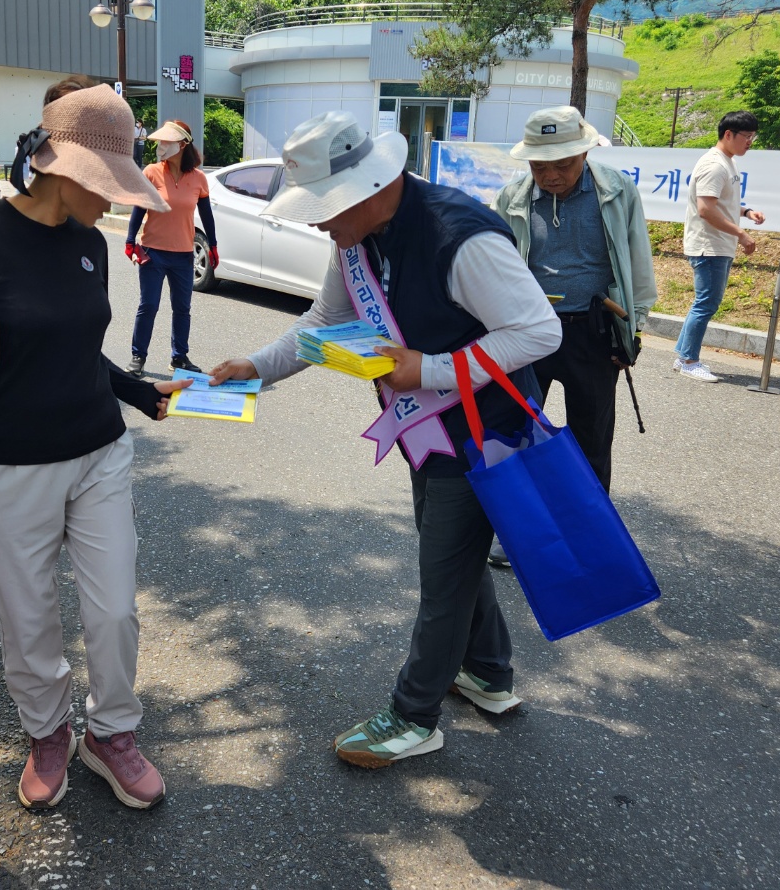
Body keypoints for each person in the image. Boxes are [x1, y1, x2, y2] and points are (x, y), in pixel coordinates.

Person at [210, 111, 562, 768]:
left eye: (323, 207)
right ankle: (486, 672)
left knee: (444, 574)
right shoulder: (357, 238)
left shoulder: (460, 237)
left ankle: (414, 716)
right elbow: (324, 322)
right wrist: (254, 367)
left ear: (369, 189)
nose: (317, 222)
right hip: (423, 426)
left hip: (481, 433)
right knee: (449, 557)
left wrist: (428, 370)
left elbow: (539, 332)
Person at [0, 83, 189, 810]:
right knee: (29, 623)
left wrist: (137, 392)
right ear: (61, 171)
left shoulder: (90, 244)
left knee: (114, 609)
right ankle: (48, 731)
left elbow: (79, 348)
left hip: (98, 453)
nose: (114, 203)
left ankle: (111, 733)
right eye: (106, 187)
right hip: (7, 466)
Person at [493, 106, 656, 493]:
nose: (550, 175)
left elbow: (636, 259)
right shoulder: (511, 199)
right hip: (528, 332)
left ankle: (591, 530)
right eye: (539, 165)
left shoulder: (615, 192)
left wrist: (633, 326)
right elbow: (492, 270)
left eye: (563, 164)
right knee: (515, 432)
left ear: (585, 153)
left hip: (594, 331)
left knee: (592, 440)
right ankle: (517, 524)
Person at [673, 111, 766, 382]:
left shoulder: (727, 161)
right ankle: (689, 360)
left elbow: (721, 203)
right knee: (706, 304)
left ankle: (684, 355)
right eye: (747, 136)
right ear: (728, 135)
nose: (750, 142)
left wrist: (746, 212)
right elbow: (706, 210)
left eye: (753, 136)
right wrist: (741, 234)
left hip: (717, 245)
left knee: (704, 303)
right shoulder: (715, 164)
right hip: (708, 246)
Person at [124, 120, 217, 375]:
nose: (161, 146)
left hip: (184, 255)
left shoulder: (198, 178)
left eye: (167, 141)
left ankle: (180, 357)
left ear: (183, 144)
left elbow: (207, 216)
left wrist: (213, 246)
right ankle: (137, 357)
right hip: (153, 252)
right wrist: (130, 240)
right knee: (149, 305)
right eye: (161, 141)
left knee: (182, 309)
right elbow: (139, 207)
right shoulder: (151, 172)